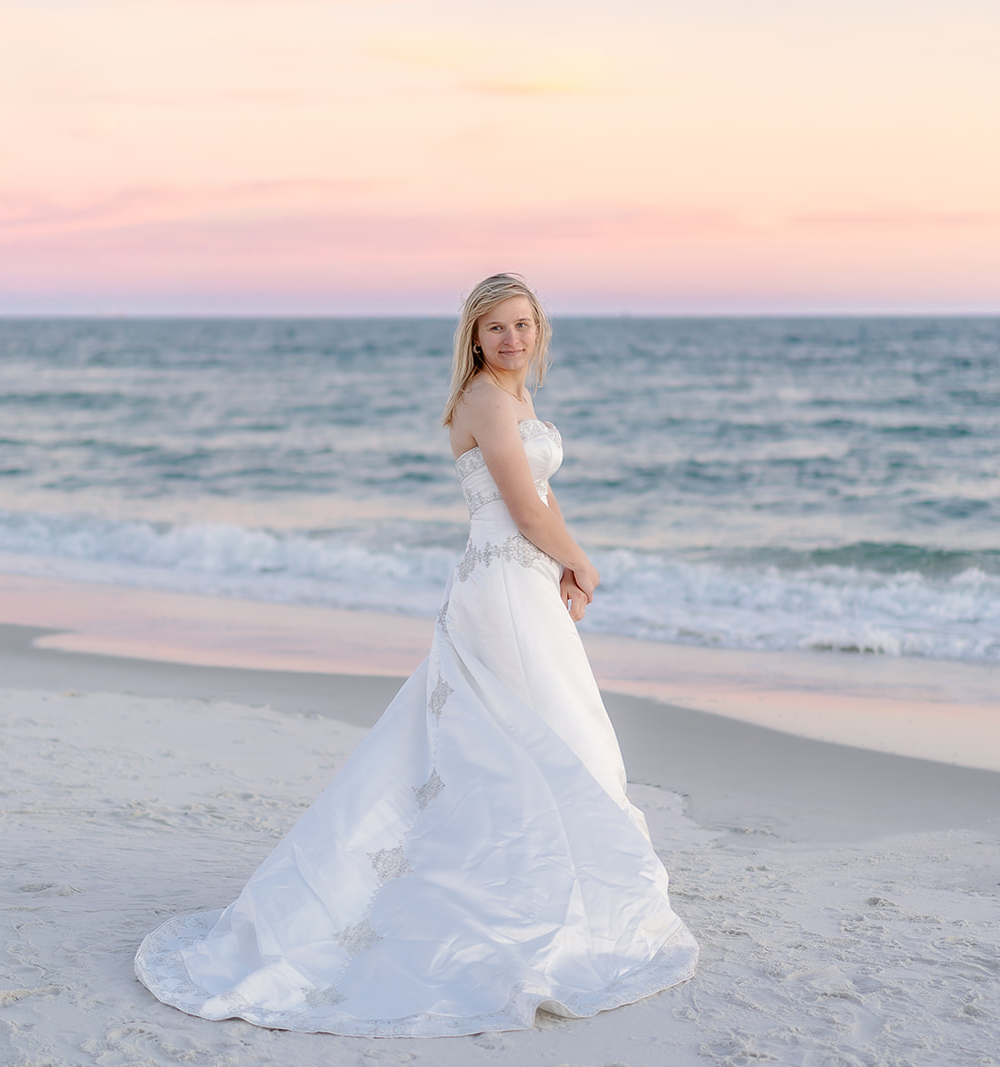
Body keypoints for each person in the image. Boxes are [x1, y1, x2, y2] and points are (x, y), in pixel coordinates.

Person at [135, 273, 697, 1037]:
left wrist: (562, 564)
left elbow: (540, 499)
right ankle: (499, 903)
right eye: (496, 327)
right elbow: (523, 507)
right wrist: (586, 563)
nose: (512, 339)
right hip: (499, 587)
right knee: (518, 741)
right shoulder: (486, 401)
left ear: (540, 331)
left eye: (523, 324)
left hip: (525, 581)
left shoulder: (518, 397)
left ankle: (545, 893)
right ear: (473, 335)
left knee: (545, 736)